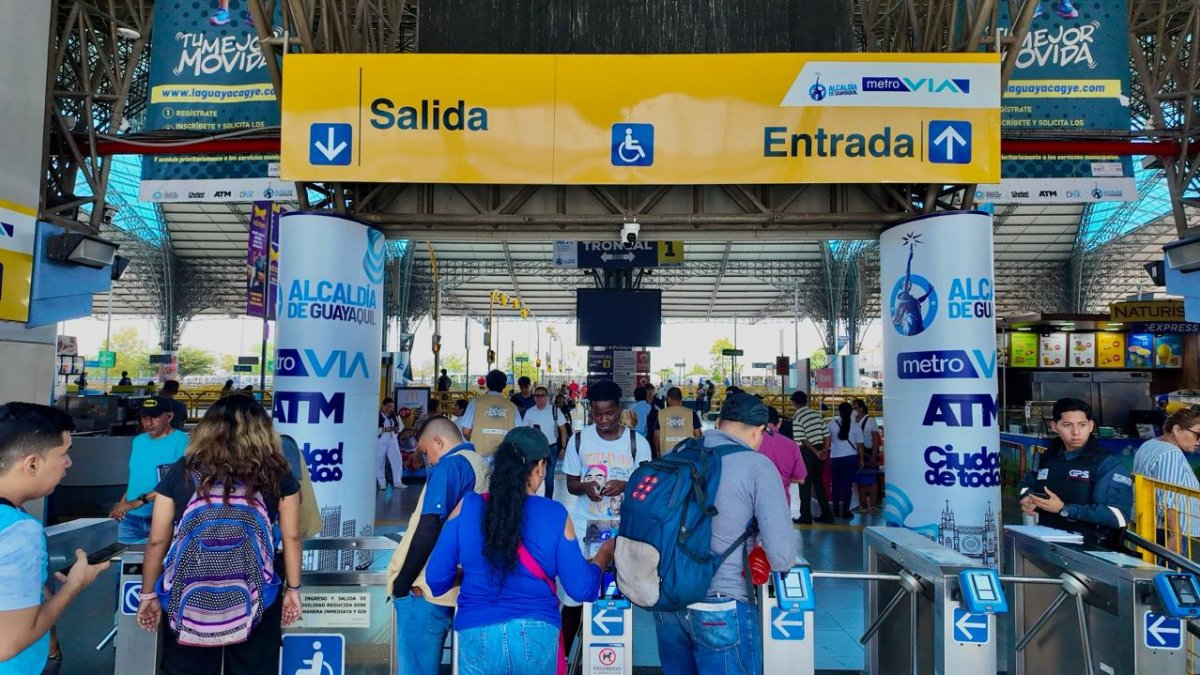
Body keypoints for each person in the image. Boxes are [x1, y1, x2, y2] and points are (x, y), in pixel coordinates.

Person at [136, 395, 303, 674]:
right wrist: (294, 590)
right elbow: (292, 537)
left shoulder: (184, 469)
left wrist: (147, 593)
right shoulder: (276, 471)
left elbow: (157, 539)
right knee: (254, 667)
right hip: (256, 590)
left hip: (188, 589)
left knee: (187, 668)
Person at [425, 427, 614, 675]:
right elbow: (582, 589)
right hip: (536, 634)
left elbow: (436, 579)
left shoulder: (467, 506)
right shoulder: (554, 514)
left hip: (476, 632)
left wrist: (467, 574)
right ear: (540, 468)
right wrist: (604, 555)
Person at [653, 394, 797, 675]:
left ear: (718, 423)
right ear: (759, 431)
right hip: (721, 602)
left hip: (668, 601)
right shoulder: (758, 466)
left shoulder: (678, 454)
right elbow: (781, 556)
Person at [0, 403, 109, 674]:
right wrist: (74, 585)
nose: (68, 463)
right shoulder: (19, 530)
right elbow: (6, 644)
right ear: (32, 464)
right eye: (63, 453)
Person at [386, 417, 487, 675]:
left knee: (415, 667)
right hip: (456, 583)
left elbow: (428, 527)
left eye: (426, 452)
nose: (429, 460)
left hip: (426, 590)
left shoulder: (449, 467)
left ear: (439, 442)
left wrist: (403, 583)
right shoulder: (478, 464)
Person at [561, 380, 650, 650]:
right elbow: (571, 484)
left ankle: (611, 651)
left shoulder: (637, 443)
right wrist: (585, 487)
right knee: (575, 595)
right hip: (585, 527)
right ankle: (564, 655)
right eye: (597, 414)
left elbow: (648, 488)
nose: (603, 420)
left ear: (619, 409)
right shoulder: (579, 440)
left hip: (623, 531)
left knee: (619, 593)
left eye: (609, 413)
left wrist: (626, 486)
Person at [1019, 398, 1134, 549]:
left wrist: (1064, 509)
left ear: (1091, 426)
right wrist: (1026, 496)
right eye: (1067, 425)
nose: (1076, 432)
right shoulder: (1049, 455)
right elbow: (1028, 482)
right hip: (1049, 544)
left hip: (1092, 550)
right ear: (1055, 426)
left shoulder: (1107, 463)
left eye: (1082, 425)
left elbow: (1118, 516)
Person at [108, 397, 189, 544]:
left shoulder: (182, 441)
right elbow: (136, 478)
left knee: (159, 563)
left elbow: (176, 482)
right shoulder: (138, 441)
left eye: (155, 417)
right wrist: (122, 503)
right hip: (130, 516)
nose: (148, 423)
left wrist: (139, 501)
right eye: (144, 417)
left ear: (169, 416)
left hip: (162, 516)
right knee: (121, 560)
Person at [1132, 408, 1200, 553]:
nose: (1199, 441)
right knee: (1172, 574)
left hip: (1149, 525)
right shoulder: (1171, 453)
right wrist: (1175, 537)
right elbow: (1169, 500)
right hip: (1170, 531)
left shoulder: (1149, 444)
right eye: (1197, 434)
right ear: (1177, 429)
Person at [791, 391, 833, 524]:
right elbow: (826, 434)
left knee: (804, 486)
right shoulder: (816, 414)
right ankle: (826, 514)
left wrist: (815, 452)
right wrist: (824, 450)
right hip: (820, 451)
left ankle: (806, 517)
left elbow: (802, 439)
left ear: (794, 403)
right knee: (818, 484)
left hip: (807, 453)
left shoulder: (797, 417)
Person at [757, 406, 807, 519]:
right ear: (778, 422)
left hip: (754, 504)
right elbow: (800, 479)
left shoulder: (749, 442)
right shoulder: (791, 445)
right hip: (781, 505)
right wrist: (782, 477)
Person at [461, 370, 520, 463]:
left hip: (479, 456)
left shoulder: (475, 403)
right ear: (504, 386)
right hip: (503, 458)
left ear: (487, 384)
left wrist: (476, 439)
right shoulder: (512, 407)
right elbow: (518, 433)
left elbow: (466, 431)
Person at [521, 386, 568, 499]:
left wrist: (563, 447)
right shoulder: (530, 412)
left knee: (549, 477)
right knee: (531, 475)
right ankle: (531, 499)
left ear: (547, 397)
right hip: (534, 448)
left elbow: (563, 430)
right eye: (537, 396)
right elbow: (524, 431)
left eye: (542, 395)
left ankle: (548, 500)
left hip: (551, 448)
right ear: (534, 398)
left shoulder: (555, 410)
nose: (539, 398)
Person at [825, 402, 862, 520]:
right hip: (851, 458)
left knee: (835, 484)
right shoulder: (856, 426)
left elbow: (827, 441)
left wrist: (825, 450)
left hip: (835, 458)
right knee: (847, 485)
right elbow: (860, 445)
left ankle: (835, 509)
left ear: (839, 412)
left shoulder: (831, 424)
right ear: (851, 412)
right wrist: (861, 459)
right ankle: (846, 510)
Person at [650, 386, 702, 456]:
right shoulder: (691, 413)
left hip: (666, 453)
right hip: (687, 453)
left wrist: (657, 451)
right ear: (681, 398)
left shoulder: (661, 414)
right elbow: (698, 434)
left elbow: (656, 435)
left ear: (668, 399)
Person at [852, 399, 883, 514]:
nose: (853, 410)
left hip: (869, 454)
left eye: (854, 407)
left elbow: (876, 441)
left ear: (861, 408)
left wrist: (873, 456)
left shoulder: (870, 421)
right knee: (859, 480)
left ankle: (873, 506)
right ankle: (862, 504)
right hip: (856, 454)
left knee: (871, 480)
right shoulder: (852, 420)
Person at [377, 398, 406, 490]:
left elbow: (401, 426)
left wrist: (396, 428)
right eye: (388, 407)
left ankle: (397, 481)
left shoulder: (395, 415)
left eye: (392, 407)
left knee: (397, 460)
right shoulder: (378, 415)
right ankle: (382, 483)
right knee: (380, 461)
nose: (390, 409)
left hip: (393, 439)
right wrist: (385, 430)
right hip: (381, 440)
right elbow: (372, 429)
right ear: (383, 406)